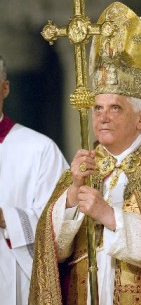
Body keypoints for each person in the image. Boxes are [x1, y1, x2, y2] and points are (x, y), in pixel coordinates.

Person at [29, 2, 141, 304]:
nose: (102, 117)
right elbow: (53, 252)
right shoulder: (85, 167)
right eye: (98, 108)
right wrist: (74, 192)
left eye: (115, 108)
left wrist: (109, 216)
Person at [0, 55, 69, 305]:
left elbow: (61, 221)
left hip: (13, 279)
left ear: (5, 88)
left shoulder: (39, 149)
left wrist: (5, 217)